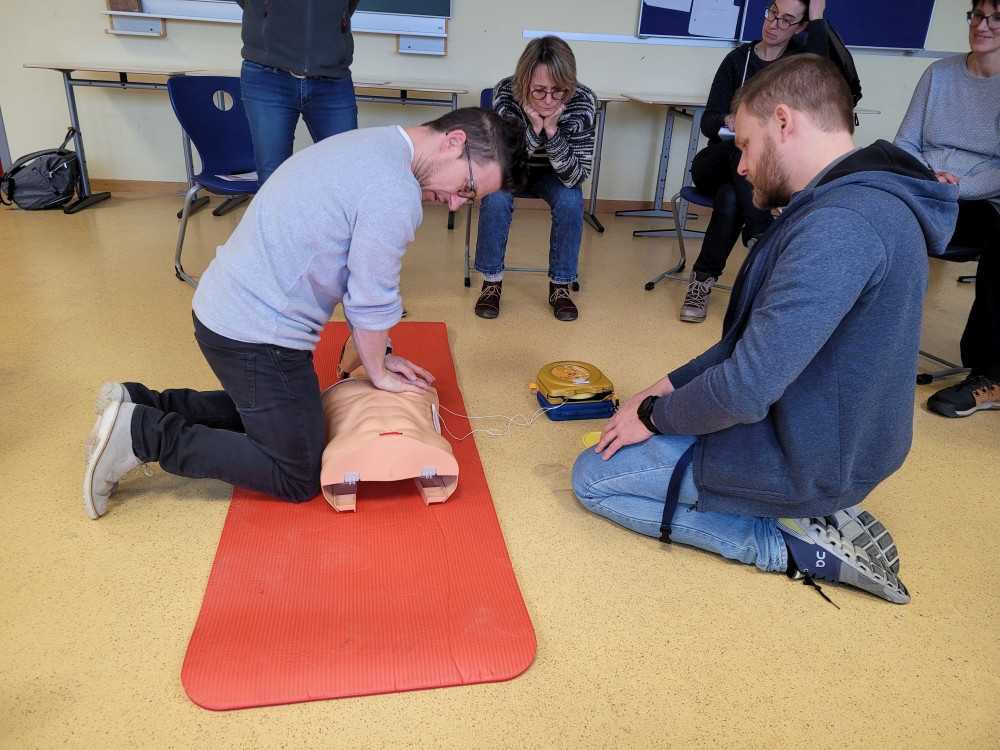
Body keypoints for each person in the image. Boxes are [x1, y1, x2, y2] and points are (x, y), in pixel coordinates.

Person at [572, 55, 960, 604]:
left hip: (808, 455)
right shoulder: (852, 200)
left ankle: (785, 541)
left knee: (593, 479)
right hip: (832, 432)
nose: (742, 165)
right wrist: (656, 393)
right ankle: (809, 510)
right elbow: (744, 347)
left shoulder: (841, 226)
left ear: (783, 121)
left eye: (746, 144)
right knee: (644, 431)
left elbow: (744, 389)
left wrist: (655, 417)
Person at [82, 108, 528, 520]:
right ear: (454, 141)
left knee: (297, 418)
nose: (455, 203)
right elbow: (370, 297)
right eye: (467, 189)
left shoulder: (376, 143)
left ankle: (136, 402)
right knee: (295, 472)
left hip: (224, 306)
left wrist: (376, 355)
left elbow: (356, 276)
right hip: (254, 333)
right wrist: (378, 371)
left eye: (468, 200)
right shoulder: (395, 190)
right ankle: (142, 434)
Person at [680, 0, 829, 323]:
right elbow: (708, 121)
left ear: (801, 28)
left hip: (762, 172)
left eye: (786, 20)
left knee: (731, 198)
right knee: (742, 146)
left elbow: (823, 71)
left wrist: (818, 16)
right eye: (772, 13)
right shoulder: (738, 60)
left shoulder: (798, 66)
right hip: (717, 161)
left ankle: (701, 281)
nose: (773, 23)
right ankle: (761, 232)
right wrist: (728, 119)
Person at [894, 0, 1000, 419]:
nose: (983, 26)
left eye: (996, 18)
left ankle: (989, 374)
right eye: (978, 15)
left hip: (978, 203)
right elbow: (905, 143)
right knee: (864, 216)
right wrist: (928, 179)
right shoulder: (938, 73)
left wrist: (957, 189)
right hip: (924, 187)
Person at [472, 35, 597, 322]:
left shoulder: (583, 101)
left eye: (558, 91)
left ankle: (560, 286)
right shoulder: (505, 94)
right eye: (539, 91)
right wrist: (533, 128)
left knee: (571, 201)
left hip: (556, 174)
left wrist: (551, 132)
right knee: (495, 196)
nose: (549, 100)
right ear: (524, 82)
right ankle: (491, 282)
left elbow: (576, 175)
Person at [235, 0, 361, 187]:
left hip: (332, 79)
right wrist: (267, 14)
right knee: (273, 177)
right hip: (268, 75)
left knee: (344, 174)